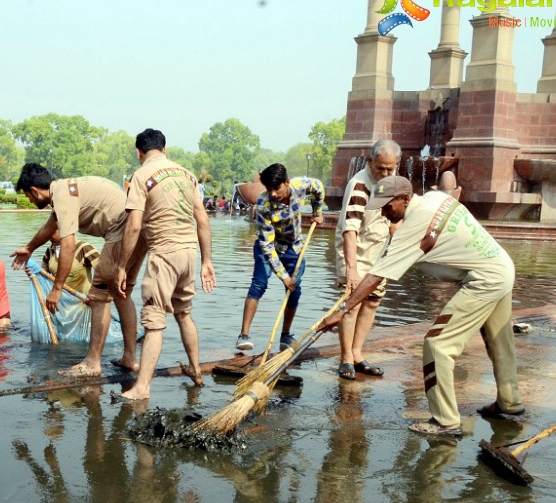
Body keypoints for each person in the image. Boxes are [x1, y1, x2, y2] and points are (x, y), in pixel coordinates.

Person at [318, 176, 523, 437]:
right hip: (501, 266)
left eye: (387, 206)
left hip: (484, 280)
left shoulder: (414, 225)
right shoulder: (435, 198)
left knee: (438, 345)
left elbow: (375, 277)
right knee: (499, 340)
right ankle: (510, 403)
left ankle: (446, 420)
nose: (383, 212)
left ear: (405, 199)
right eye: (379, 207)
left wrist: (343, 310)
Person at [12, 164, 146, 376]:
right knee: (122, 293)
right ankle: (129, 358)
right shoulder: (64, 191)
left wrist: (57, 289)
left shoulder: (62, 196)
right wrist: (29, 248)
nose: (29, 200)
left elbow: (68, 246)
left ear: (35, 191)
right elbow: (49, 227)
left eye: (28, 196)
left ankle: (92, 363)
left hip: (122, 230)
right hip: (137, 231)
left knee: (99, 297)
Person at [115, 128, 216, 401]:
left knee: (154, 322)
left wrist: (122, 265)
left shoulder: (141, 175)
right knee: (184, 313)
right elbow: (203, 219)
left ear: (139, 153)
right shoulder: (187, 174)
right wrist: (207, 260)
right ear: (165, 149)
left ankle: (142, 387)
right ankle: (196, 372)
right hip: (189, 254)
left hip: (164, 255)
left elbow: (134, 226)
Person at [235, 164, 324, 354]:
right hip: (268, 248)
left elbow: (318, 187)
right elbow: (267, 245)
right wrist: (283, 276)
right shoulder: (264, 204)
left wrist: (317, 212)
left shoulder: (301, 185)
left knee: (294, 290)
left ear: (287, 182)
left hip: (293, 247)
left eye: (277, 188)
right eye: (269, 189)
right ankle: (243, 335)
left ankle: (285, 335)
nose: (273, 194)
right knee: (259, 284)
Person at [333, 139, 399, 380]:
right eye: (380, 168)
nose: (384, 173)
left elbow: (395, 218)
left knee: (372, 302)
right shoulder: (359, 184)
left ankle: (358, 354)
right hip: (356, 252)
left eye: (389, 169)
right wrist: (351, 269)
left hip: (379, 253)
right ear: (370, 161)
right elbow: (350, 229)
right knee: (352, 304)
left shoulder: (394, 182)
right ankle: (346, 358)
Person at [41, 231, 99, 296]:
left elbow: (104, 271)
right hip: (59, 301)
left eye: (52, 232)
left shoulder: (84, 248)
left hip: (82, 301)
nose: (50, 237)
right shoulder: (50, 251)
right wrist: (33, 272)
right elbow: (42, 274)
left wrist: (95, 292)